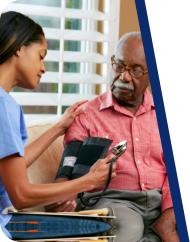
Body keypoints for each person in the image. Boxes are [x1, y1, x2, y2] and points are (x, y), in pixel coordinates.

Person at [46, 32, 179, 242]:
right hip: (114, 203)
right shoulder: (86, 115)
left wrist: (171, 211)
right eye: (119, 66)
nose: (124, 77)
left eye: (135, 71)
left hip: (162, 201)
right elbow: (68, 170)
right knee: (127, 225)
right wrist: (59, 196)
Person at [0, 11, 117, 239]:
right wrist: (89, 180)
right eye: (41, 56)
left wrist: (58, 128)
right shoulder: (5, 107)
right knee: (99, 228)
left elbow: (13, 164)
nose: (43, 68)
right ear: (20, 47)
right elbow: (21, 196)